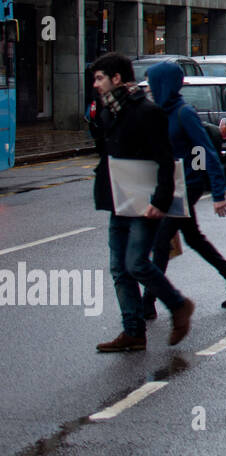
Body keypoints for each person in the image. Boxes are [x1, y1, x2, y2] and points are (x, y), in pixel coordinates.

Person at [87, 53, 195, 352]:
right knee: (119, 268)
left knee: (135, 263)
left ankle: (178, 305)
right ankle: (133, 332)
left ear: (117, 79)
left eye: (99, 79)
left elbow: (164, 159)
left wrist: (161, 200)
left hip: (145, 201)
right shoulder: (109, 112)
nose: (95, 85)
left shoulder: (147, 112)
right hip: (119, 199)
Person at [142, 63, 226, 316]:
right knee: (193, 239)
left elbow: (207, 151)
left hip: (187, 186)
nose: (150, 91)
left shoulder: (184, 113)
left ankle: (148, 303)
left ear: (164, 84)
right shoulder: (158, 114)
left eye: (152, 85)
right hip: (170, 185)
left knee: (161, 241)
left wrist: (219, 194)